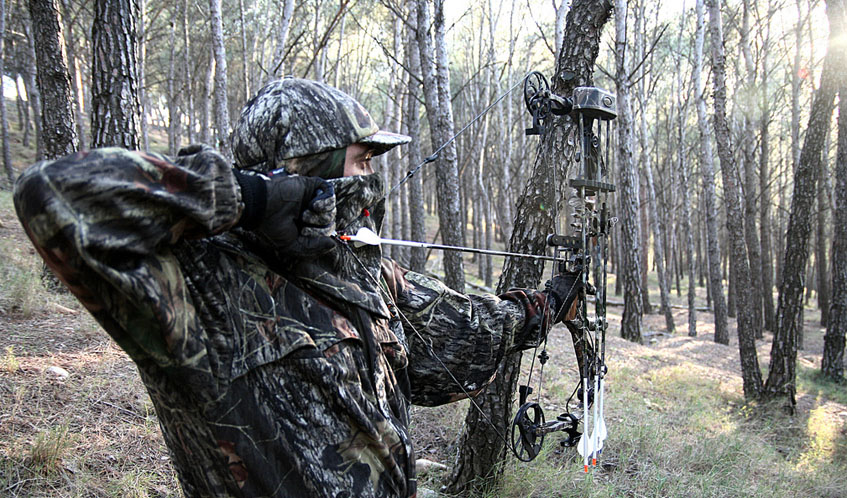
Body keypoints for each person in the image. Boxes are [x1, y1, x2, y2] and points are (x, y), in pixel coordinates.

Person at [14, 78, 580, 497]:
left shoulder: (355, 267)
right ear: (303, 170)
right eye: (360, 161)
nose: (369, 181)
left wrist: (549, 304)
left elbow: (457, 330)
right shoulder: (201, 280)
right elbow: (52, 195)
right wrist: (253, 200)